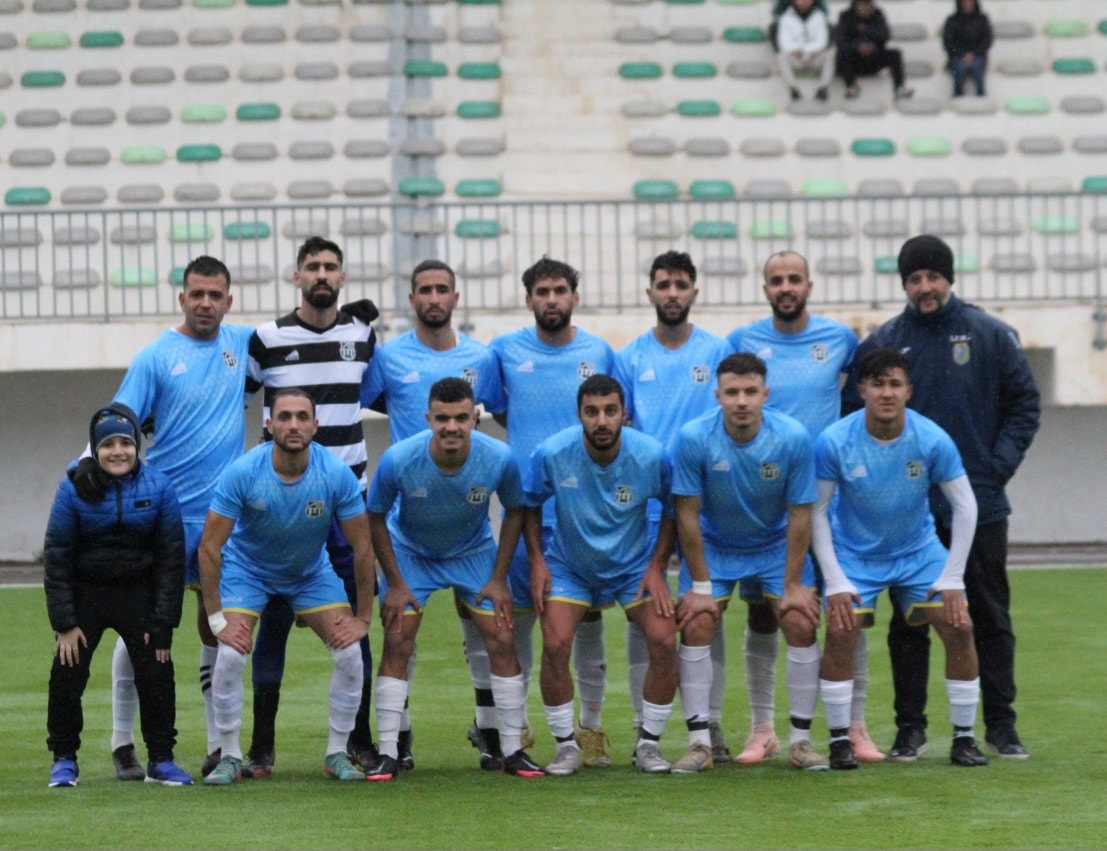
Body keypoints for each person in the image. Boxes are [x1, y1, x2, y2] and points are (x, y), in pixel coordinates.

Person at [844, 235, 1040, 761]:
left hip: (979, 505)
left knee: (987, 615)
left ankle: (1001, 724)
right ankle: (910, 728)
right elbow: (853, 414)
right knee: (909, 624)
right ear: (904, 284)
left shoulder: (989, 334)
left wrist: (996, 469)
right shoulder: (886, 341)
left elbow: (1025, 403)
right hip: (907, 514)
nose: (924, 287)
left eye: (933, 276)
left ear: (949, 279)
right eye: (914, 279)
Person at [67, 255, 256, 779]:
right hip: (162, 516)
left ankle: (219, 745)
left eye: (215, 295)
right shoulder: (155, 356)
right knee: (140, 627)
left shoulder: (242, 344)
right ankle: (122, 742)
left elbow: (293, 339)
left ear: (229, 301)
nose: (205, 303)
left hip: (223, 520)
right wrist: (79, 471)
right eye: (197, 294)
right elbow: (115, 422)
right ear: (182, 298)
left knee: (217, 627)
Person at [726, 251, 883, 764]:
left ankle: (852, 725)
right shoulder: (743, 341)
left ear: (809, 285)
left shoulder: (840, 340)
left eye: (794, 279)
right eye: (776, 280)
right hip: (765, 502)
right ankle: (762, 728)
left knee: (846, 610)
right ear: (765, 288)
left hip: (827, 502)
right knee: (763, 613)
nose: (786, 287)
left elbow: (863, 399)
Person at [239, 236, 379, 778]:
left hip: (347, 501)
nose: (322, 274)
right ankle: (261, 748)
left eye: (331, 266)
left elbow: (382, 394)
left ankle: (359, 740)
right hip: (282, 503)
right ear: (296, 277)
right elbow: (238, 405)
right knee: (272, 621)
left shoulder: (362, 335)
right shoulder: (267, 339)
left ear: (342, 277)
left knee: (356, 623)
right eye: (312, 266)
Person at [360, 258, 505, 771]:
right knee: (401, 632)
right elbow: (367, 403)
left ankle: (491, 732)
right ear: (412, 299)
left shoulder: (481, 359)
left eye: (443, 289)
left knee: (483, 629)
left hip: (468, 525)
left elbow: (499, 413)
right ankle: (397, 740)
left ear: (455, 298)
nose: (434, 298)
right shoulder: (389, 359)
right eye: (425, 290)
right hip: (409, 522)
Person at [814, 347, 988, 769]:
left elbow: (966, 505)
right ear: (862, 390)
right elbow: (816, 511)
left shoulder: (932, 439)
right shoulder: (834, 441)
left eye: (895, 384)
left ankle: (964, 738)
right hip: (855, 554)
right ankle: (840, 741)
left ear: (909, 391)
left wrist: (953, 577)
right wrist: (835, 581)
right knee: (840, 629)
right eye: (878, 384)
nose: (887, 393)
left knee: (959, 626)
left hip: (918, 552)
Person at [366, 378, 544, 780]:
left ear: (475, 418)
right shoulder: (399, 459)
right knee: (398, 638)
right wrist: (395, 583)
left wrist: (498, 578)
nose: (451, 427)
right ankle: (391, 751)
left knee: (502, 636)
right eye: (442, 418)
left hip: (472, 552)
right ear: (428, 419)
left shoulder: (499, 457)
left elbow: (515, 510)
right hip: (411, 553)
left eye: (461, 418)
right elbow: (375, 517)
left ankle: (512, 750)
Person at [197, 388, 375, 785]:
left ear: (315, 425)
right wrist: (216, 619)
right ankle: (229, 756)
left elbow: (363, 547)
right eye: (284, 417)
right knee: (230, 656)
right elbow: (209, 547)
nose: (293, 425)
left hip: (310, 573)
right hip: (248, 571)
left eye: (301, 417)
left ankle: (336, 753)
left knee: (350, 654)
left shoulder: (335, 474)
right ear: (269, 424)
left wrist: (363, 617)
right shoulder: (244, 472)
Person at [487, 256, 616, 770]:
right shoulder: (505, 350)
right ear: (529, 300)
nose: (551, 300)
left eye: (560, 291)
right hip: (524, 507)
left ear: (574, 297)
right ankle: (517, 727)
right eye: (542, 292)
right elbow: (500, 409)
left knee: (587, 619)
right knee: (517, 615)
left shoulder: (599, 352)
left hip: (583, 509)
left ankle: (592, 728)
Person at [671, 354, 825, 773]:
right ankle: (700, 744)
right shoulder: (693, 437)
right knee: (697, 623)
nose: (742, 401)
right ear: (717, 395)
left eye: (751, 391)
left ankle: (800, 742)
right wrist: (701, 588)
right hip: (716, 547)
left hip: (774, 546)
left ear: (765, 394)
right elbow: (687, 514)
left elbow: (800, 514)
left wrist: (792, 586)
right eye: (733, 392)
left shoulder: (792, 437)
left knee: (800, 621)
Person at [526, 374, 678, 775]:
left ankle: (648, 745)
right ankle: (565, 746)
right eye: (592, 412)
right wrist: (538, 561)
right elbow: (527, 504)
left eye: (610, 411)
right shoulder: (552, 453)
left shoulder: (652, 455)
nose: (602, 420)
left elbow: (674, 508)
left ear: (624, 413)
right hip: (570, 568)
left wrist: (657, 565)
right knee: (555, 644)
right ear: (579, 414)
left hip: (633, 569)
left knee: (665, 640)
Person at [613, 251, 730, 761]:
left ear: (694, 292)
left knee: (707, 610)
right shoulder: (629, 358)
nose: (673, 293)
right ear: (650, 293)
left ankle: (712, 723)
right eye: (664, 285)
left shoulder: (718, 350)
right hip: (648, 505)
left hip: (706, 504)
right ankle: (646, 725)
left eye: (681, 284)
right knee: (646, 611)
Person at [44, 404, 191, 787]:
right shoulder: (72, 487)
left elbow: (171, 558)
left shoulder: (159, 486)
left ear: (137, 446)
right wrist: (65, 624)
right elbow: (57, 556)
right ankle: (64, 759)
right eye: (108, 444)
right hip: (86, 595)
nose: (118, 452)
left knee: (158, 671)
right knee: (67, 673)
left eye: (125, 443)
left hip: (138, 594)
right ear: (95, 449)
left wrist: (164, 622)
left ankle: (161, 759)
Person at [834, 0, 913, 100]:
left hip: (873, 58)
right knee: (842, 54)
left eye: (869, 4)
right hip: (854, 60)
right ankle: (851, 86)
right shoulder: (846, 16)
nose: (866, 7)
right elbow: (840, 40)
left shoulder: (878, 15)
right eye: (863, 4)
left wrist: (867, 31)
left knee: (895, 54)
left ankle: (899, 87)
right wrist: (857, 47)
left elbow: (885, 35)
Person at [776, 0, 835, 102]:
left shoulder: (819, 16)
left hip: (814, 57)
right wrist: (796, 50)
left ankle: (823, 88)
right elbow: (784, 41)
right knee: (781, 56)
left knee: (831, 53)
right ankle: (793, 88)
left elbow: (822, 40)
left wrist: (806, 50)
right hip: (796, 58)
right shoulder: (785, 18)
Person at [942, 0, 992, 98]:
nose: (967, 3)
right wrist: (962, 54)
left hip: (978, 55)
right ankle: (958, 96)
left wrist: (974, 54)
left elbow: (987, 41)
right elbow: (948, 42)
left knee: (977, 68)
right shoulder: (952, 20)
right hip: (957, 56)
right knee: (959, 69)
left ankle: (981, 96)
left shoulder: (982, 19)